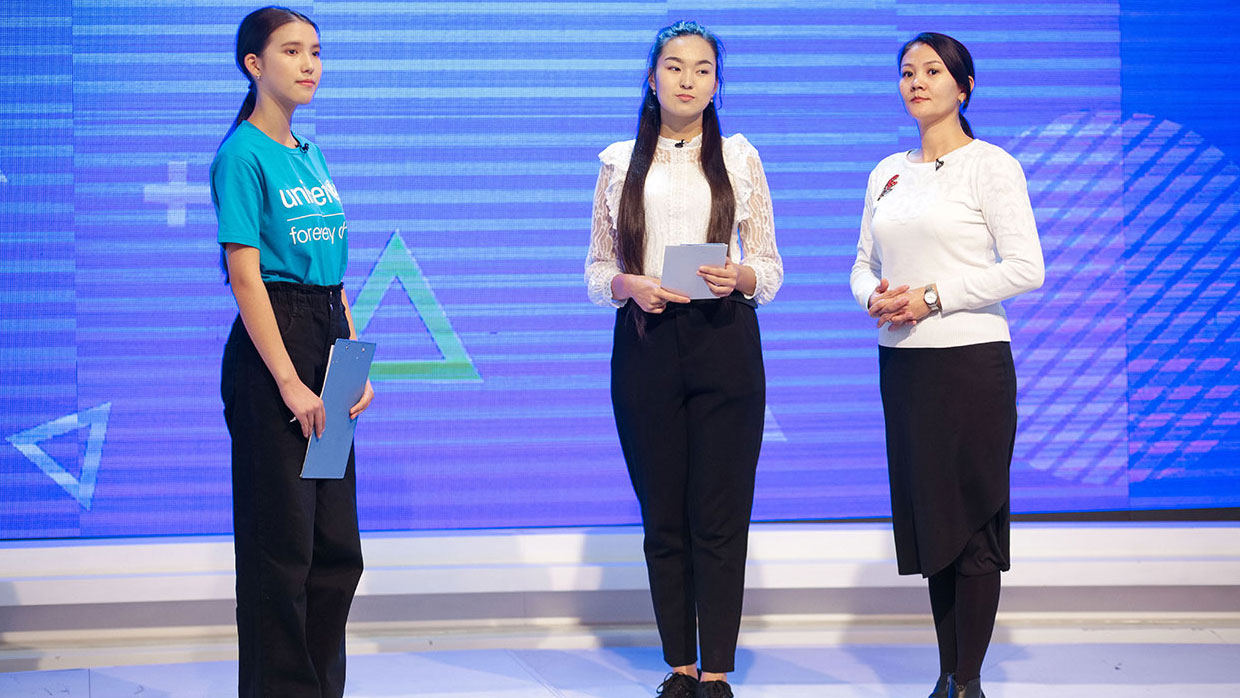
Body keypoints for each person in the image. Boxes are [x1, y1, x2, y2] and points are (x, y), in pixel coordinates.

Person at [586, 20, 782, 698]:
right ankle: (680, 664)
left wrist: (741, 276)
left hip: (726, 338)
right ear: (652, 77)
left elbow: (772, 266)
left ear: (717, 83)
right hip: (646, 342)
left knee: (720, 512)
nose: (688, 79)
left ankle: (719, 669)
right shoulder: (616, 161)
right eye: (674, 67)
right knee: (663, 513)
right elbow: (595, 268)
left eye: (702, 69)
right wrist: (629, 285)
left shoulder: (741, 158)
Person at [849, 32, 1045, 698]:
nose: (917, 82)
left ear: (963, 86)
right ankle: (945, 676)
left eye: (932, 71)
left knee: (972, 522)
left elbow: (1027, 267)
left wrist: (933, 297)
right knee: (933, 521)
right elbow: (862, 265)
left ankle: (969, 682)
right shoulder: (887, 172)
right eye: (906, 72)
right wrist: (871, 297)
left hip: (971, 366)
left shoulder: (990, 165)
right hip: (904, 370)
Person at [210, 6, 373, 697]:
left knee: (335, 548)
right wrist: (287, 381)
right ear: (255, 65)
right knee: (284, 547)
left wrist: (353, 362)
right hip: (275, 346)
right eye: (290, 51)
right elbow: (246, 275)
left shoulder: (311, 153)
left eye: (315, 51)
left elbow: (332, 268)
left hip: (328, 342)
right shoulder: (241, 154)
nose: (309, 64)